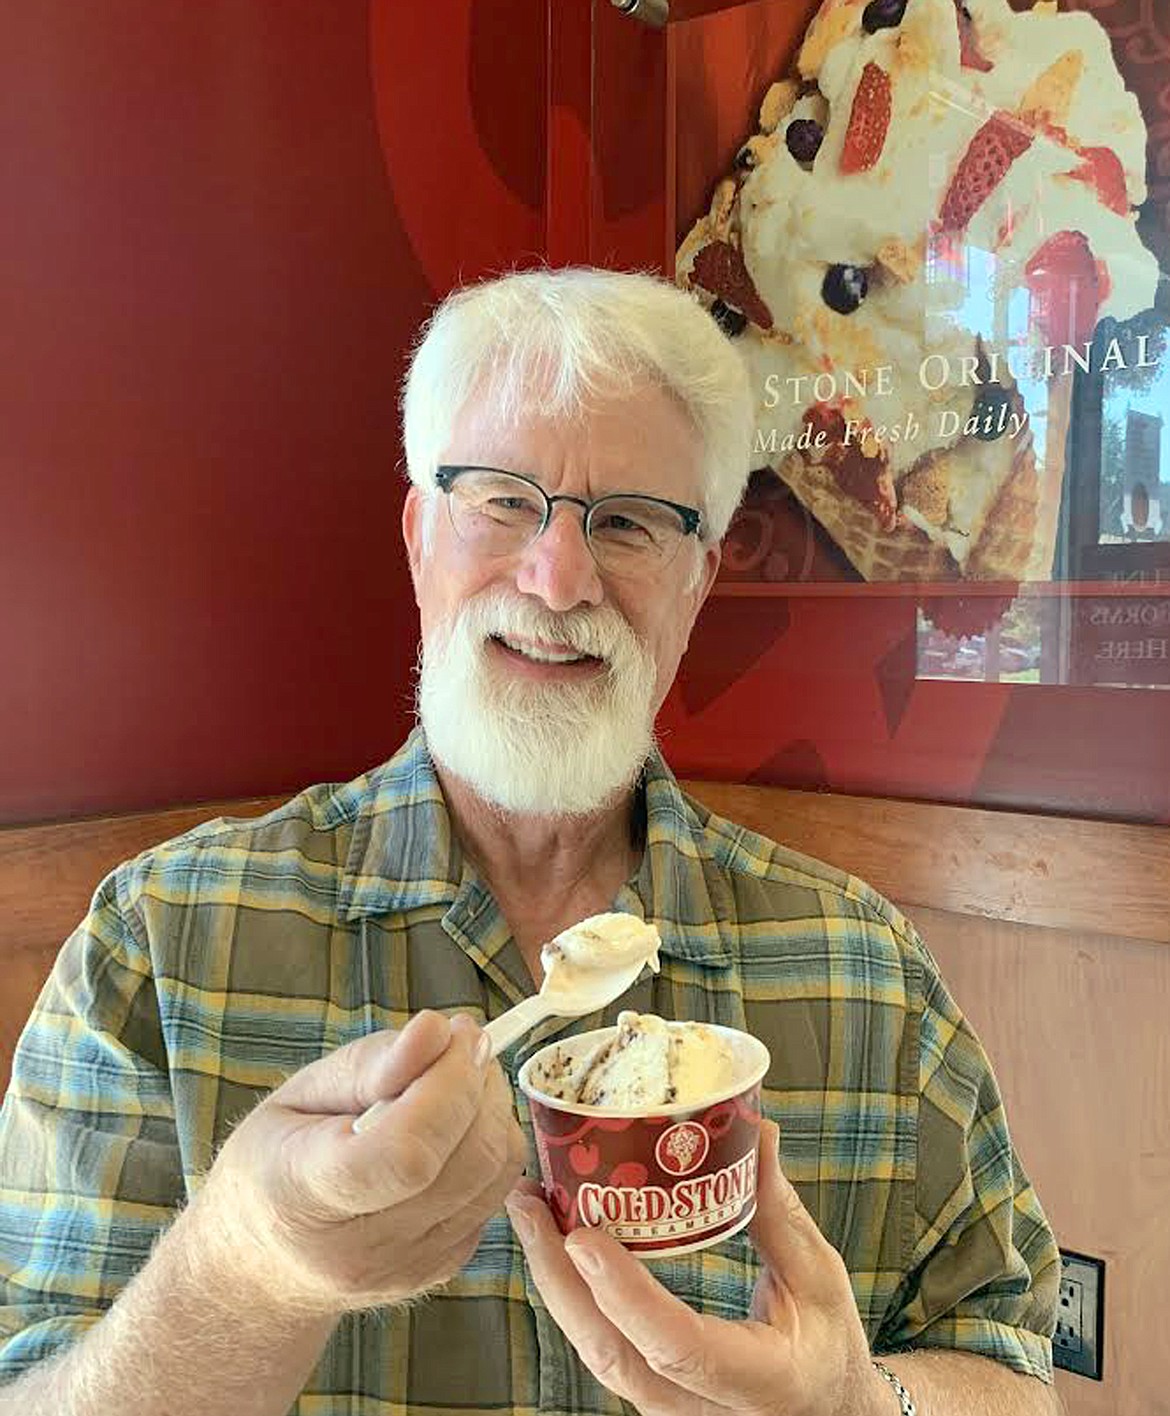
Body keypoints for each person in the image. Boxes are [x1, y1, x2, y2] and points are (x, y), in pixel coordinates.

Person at [0, 268, 1062, 1416]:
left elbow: (1007, 1361)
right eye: (502, 501)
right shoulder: (161, 942)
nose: (558, 579)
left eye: (629, 522)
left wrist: (856, 1406)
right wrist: (249, 1267)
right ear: (419, 538)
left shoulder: (864, 971)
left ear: (699, 580)